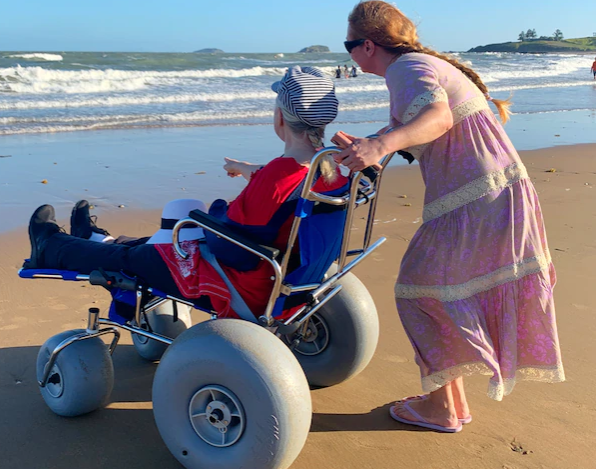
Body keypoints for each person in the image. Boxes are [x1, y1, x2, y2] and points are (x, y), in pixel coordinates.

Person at [336, 1, 564, 433]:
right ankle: (449, 401)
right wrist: (374, 142)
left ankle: (442, 408)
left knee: (418, 292)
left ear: (367, 45)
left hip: (477, 198)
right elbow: (428, 125)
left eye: (348, 46)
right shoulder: (415, 67)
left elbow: (437, 118)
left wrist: (380, 148)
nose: (348, 55)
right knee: (435, 292)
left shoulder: (405, 70)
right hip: (491, 193)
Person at [24, 66, 347, 320]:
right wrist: (247, 170)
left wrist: (210, 215)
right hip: (283, 276)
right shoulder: (328, 169)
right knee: (161, 240)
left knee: (135, 256)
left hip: (237, 281)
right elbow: (279, 188)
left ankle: (49, 244)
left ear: (279, 117)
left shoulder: (275, 178)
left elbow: (230, 240)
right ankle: (92, 237)